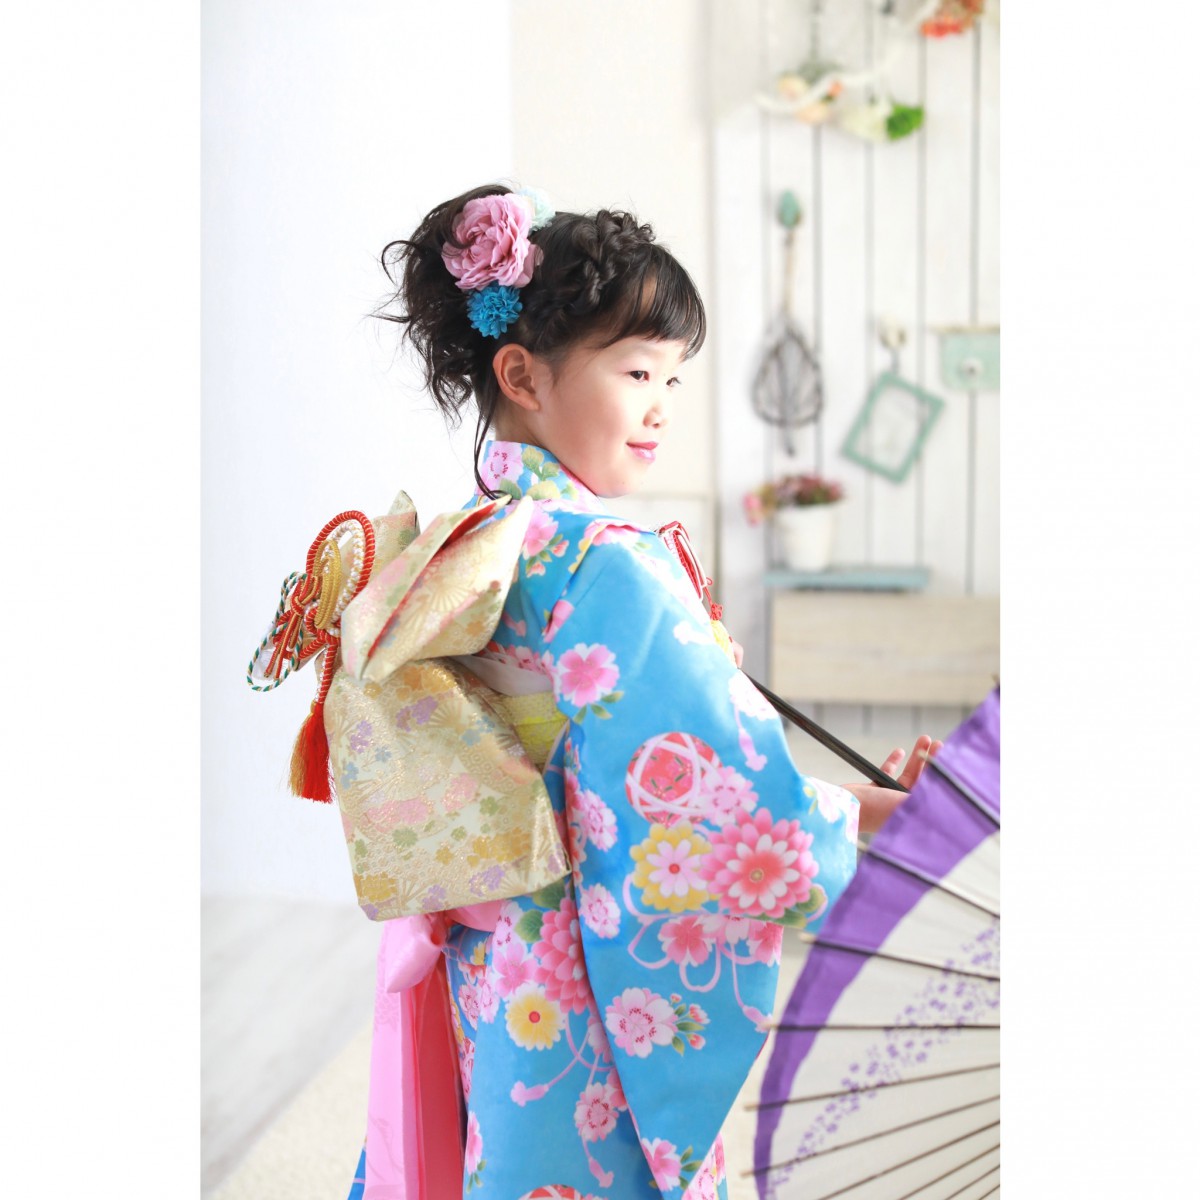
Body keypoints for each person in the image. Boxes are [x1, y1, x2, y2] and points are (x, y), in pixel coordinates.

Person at [343, 183, 941, 1200]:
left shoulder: (475, 535)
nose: (662, 405)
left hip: (496, 952)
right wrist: (880, 817)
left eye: (672, 375)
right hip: (579, 960)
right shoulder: (602, 560)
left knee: (505, 1147)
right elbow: (708, 804)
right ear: (521, 374)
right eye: (635, 371)